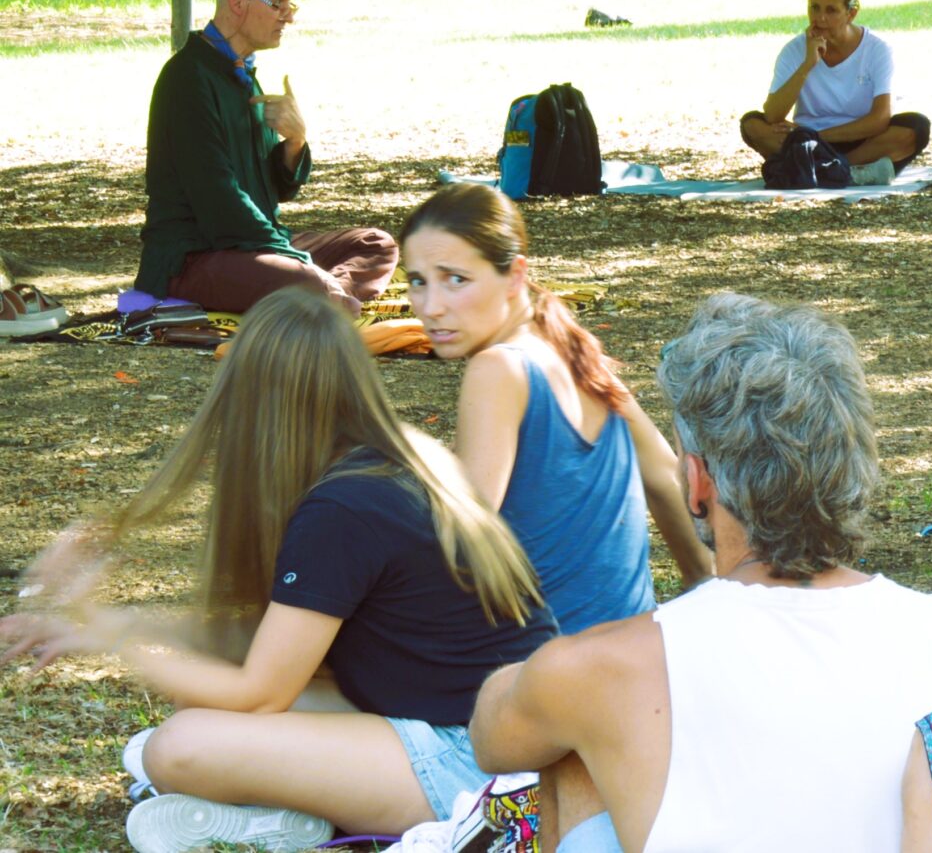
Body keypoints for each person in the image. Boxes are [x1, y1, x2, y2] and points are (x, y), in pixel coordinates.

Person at [467, 293, 932, 853]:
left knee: (571, 760)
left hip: (588, 693)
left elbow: (492, 740)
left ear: (698, 482)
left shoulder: (598, 668)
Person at [2, 291, 554, 851]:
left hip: (481, 770)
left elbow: (259, 693)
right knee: (200, 706)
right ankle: (276, 821)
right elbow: (263, 646)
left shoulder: (344, 508)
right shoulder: (397, 461)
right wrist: (117, 625)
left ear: (249, 398)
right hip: (498, 740)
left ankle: (294, 810)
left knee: (179, 746)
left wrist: (120, 640)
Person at [399, 184, 715, 631]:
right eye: (417, 281)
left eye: (456, 280)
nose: (431, 307)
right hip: (630, 649)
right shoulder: (573, 352)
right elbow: (667, 479)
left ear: (514, 275)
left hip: (543, 662)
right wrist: (702, 591)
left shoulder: (498, 369)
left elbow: (463, 539)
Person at [138, 0, 396, 313]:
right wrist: (298, 263)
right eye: (278, 3)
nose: (289, 16)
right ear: (238, 1)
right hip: (194, 258)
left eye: (290, 4)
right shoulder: (187, 79)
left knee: (376, 245)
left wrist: (295, 143)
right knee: (305, 281)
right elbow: (220, 202)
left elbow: (274, 189)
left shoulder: (244, 76)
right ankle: (322, 296)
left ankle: (324, 298)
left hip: (254, 247)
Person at [741, 0, 931, 183]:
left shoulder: (877, 50)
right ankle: (844, 172)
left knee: (916, 127)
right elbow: (772, 115)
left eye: (831, 10)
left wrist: (817, 135)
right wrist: (807, 64)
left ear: (851, 13)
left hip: (858, 141)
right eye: (814, 8)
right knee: (752, 124)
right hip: (805, 142)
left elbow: (879, 120)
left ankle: (827, 168)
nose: (820, 18)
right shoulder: (794, 50)